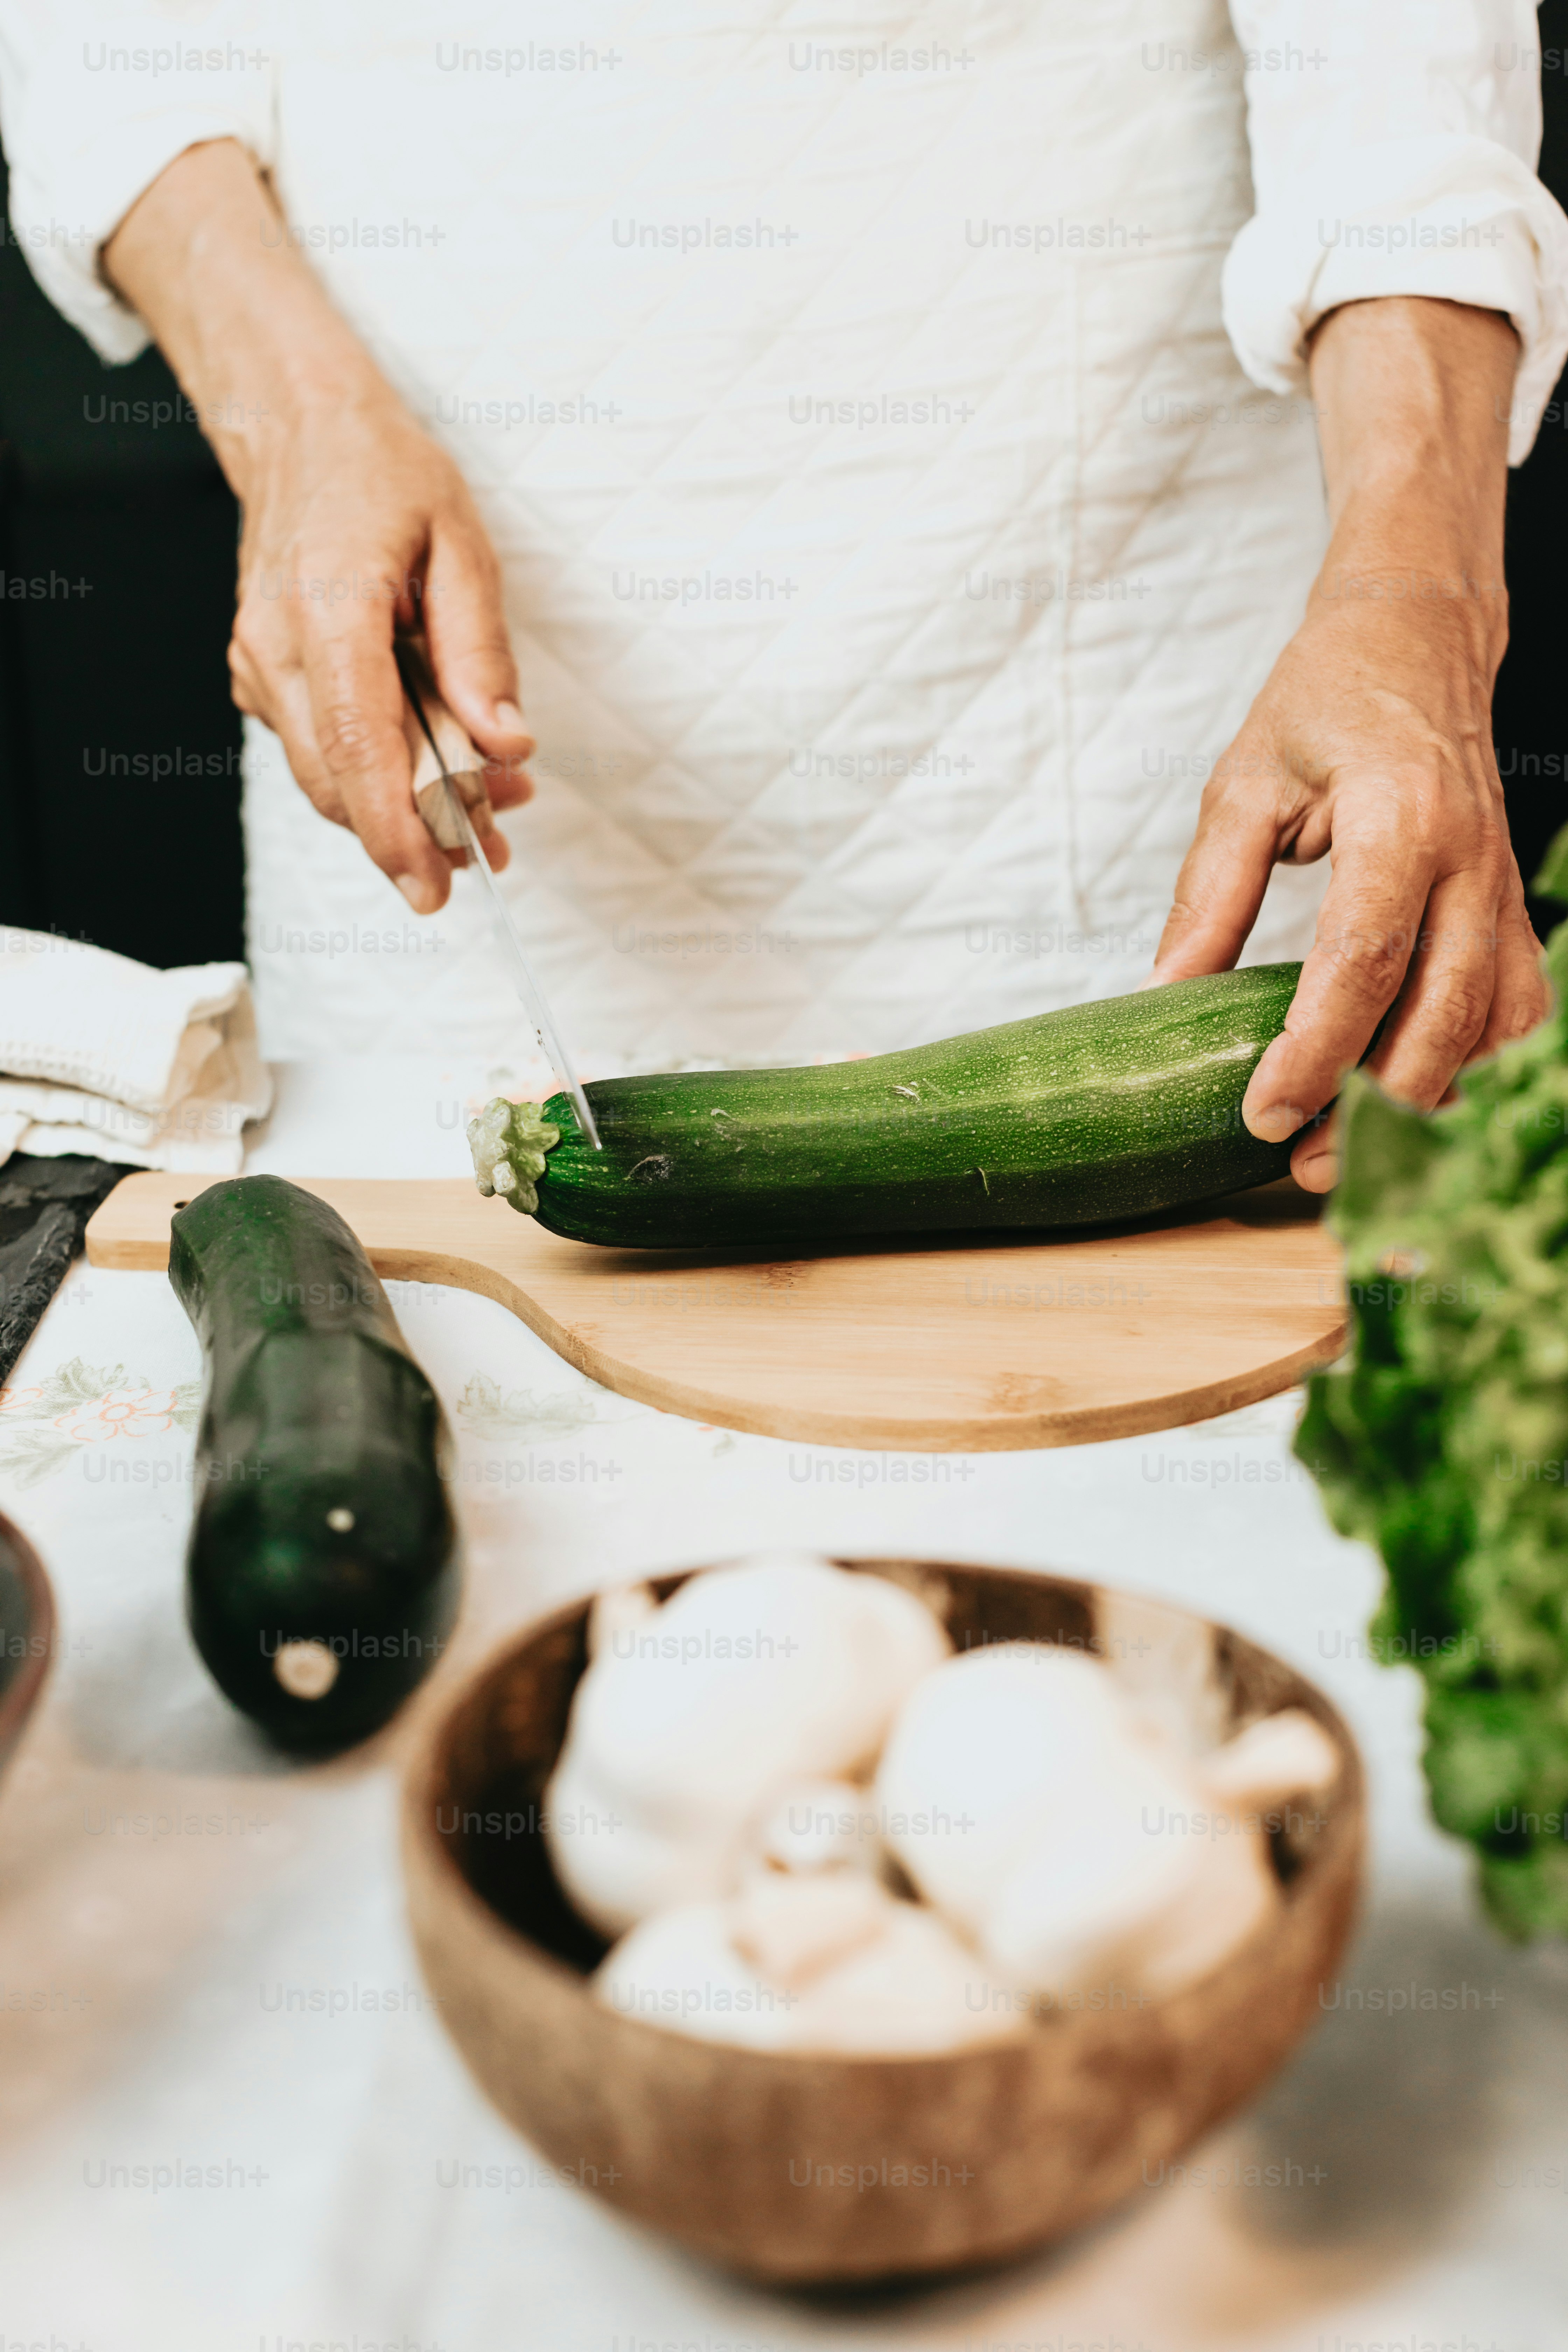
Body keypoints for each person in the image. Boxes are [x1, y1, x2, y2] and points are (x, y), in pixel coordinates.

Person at [2, 2, 1563, 1191]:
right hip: (439, 785)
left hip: (1133, 769)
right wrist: (299, 422)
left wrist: (1415, 591)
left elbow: (1399, 85)